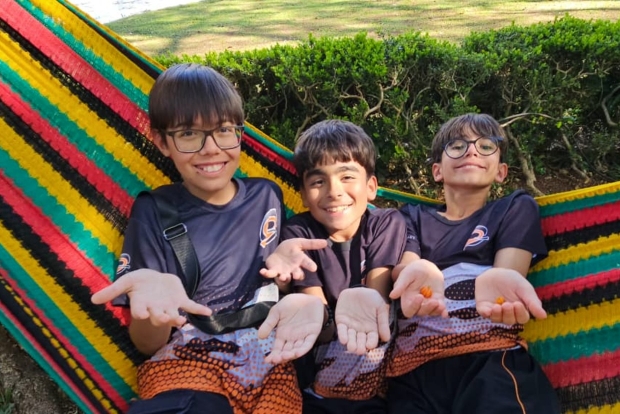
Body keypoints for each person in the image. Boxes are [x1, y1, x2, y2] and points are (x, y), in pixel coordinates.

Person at [90, 63, 328, 414]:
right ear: (162, 142)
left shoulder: (267, 196)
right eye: (189, 134)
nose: (211, 149)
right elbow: (147, 344)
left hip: (270, 364)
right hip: (191, 364)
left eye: (224, 130)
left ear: (240, 133)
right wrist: (155, 311)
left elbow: (279, 285)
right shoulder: (155, 211)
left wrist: (287, 275)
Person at [386, 113, 561, 413]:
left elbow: (506, 278)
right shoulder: (410, 216)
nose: (471, 151)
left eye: (486, 146)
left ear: (501, 172)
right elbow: (407, 267)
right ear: (437, 171)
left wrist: (497, 284)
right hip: (413, 370)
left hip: (491, 358)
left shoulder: (514, 207)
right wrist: (417, 272)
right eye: (457, 146)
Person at [280, 119, 407, 414]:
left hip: (378, 373)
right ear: (303, 194)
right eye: (318, 182)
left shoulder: (386, 223)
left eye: (347, 176)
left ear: (371, 187)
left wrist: (362, 305)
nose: (333, 191)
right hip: (318, 381)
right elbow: (318, 318)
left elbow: (376, 302)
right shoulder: (298, 234)